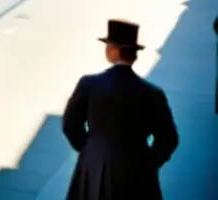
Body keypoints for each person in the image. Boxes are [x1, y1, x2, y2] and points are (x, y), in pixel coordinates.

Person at [61, 19, 179, 200]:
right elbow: (168, 138)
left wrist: (90, 149)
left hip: (93, 165)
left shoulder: (89, 84)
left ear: (113, 50)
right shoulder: (152, 93)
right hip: (137, 168)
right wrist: (148, 163)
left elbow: (70, 125)